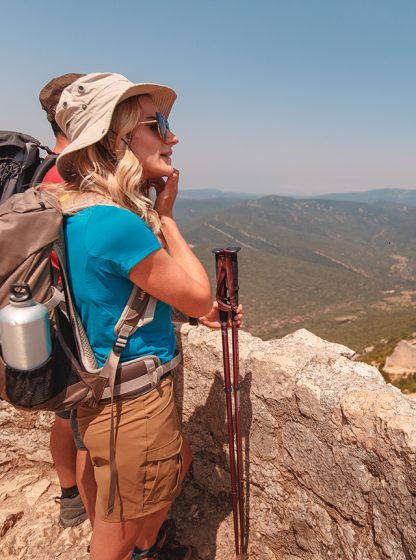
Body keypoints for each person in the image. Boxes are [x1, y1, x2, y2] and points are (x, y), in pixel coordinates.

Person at [52, 72, 239, 560]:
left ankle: (145, 548)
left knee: (144, 484)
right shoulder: (114, 222)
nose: (173, 137)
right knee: (116, 534)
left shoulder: (71, 207)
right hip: (132, 402)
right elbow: (199, 297)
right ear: (116, 139)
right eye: (158, 125)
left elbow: (113, 294)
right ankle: (139, 549)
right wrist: (169, 216)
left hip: (100, 391)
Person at [38, 72, 93, 529]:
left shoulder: (38, 170)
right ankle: (105, 529)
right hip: (75, 323)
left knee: (64, 415)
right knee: (86, 432)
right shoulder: (69, 176)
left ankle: (69, 496)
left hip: (44, 311)